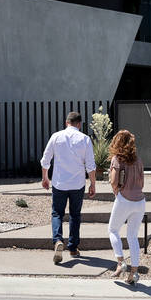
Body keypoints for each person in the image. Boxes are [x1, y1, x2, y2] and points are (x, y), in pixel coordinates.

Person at [40, 111, 96, 264]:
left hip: (59, 183)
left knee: (57, 213)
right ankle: (73, 247)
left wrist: (45, 177)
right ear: (79, 124)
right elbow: (90, 165)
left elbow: (46, 159)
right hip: (77, 183)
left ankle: (58, 240)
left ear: (67, 123)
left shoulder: (56, 136)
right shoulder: (85, 139)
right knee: (75, 215)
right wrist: (93, 184)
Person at [107, 129, 145, 285]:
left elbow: (114, 181)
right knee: (132, 236)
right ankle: (134, 273)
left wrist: (116, 190)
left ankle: (121, 261)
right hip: (140, 201)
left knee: (113, 230)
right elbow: (142, 183)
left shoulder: (117, 159)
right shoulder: (138, 160)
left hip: (124, 199)